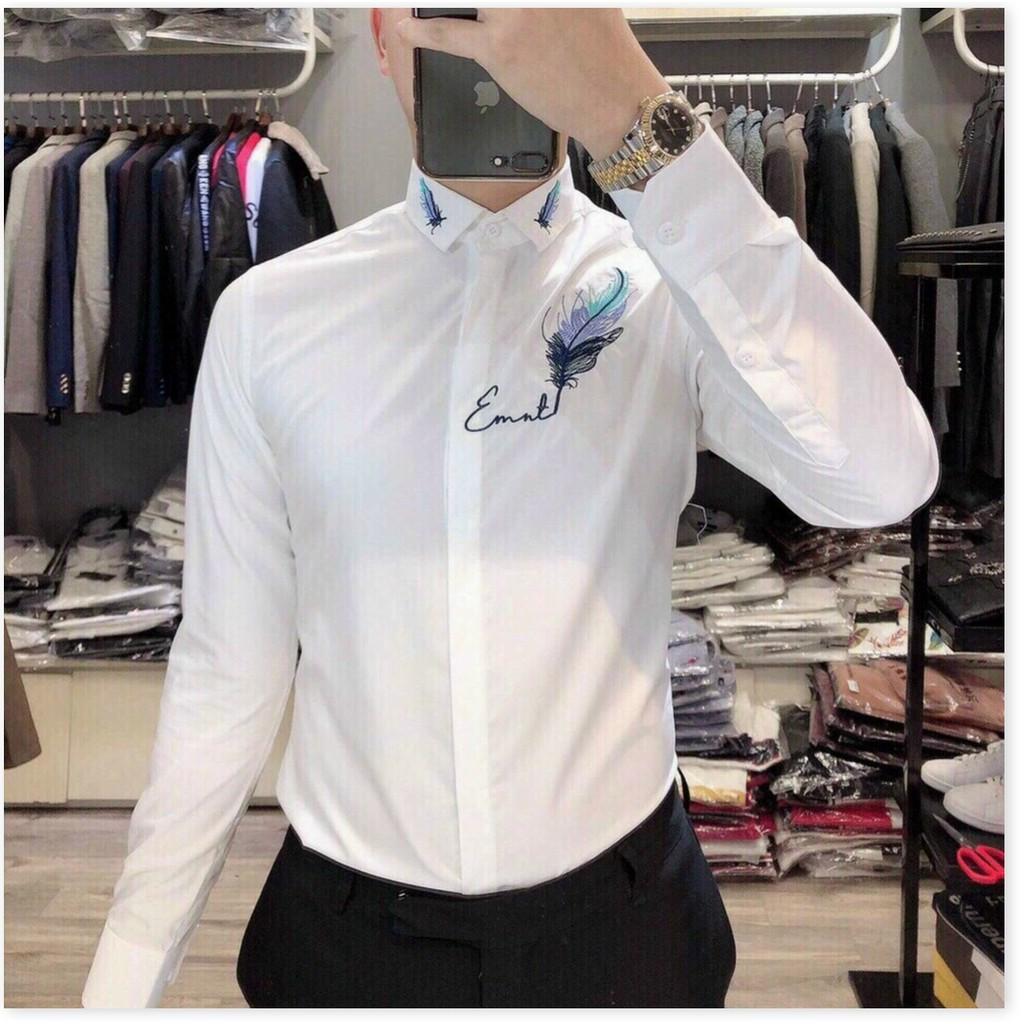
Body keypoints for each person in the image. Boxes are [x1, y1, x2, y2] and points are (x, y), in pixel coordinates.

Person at [82, 8, 938, 1008]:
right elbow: (231, 662)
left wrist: (638, 119)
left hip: (626, 928)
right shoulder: (271, 318)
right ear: (383, 35)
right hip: (348, 938)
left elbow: (882, 477)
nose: (485, 38)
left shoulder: (669, 291)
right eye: (446, 9)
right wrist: (127, 967)